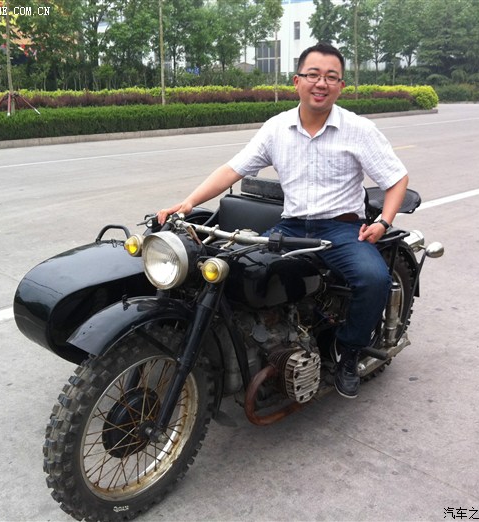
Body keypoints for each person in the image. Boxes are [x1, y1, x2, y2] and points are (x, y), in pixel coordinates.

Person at [158, 42, 409, 399]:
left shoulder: (358, 129)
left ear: (341, 86)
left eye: (331, 77)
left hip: (340, 228)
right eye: (313, 75)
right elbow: (233, 169)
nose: (321, 83)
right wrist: (188, 202)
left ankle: (350, 352)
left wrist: (383, 222)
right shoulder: (277, 128)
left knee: (373, 278)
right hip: (290, 226)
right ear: (297, 81)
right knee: (235, 268)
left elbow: (396, 178)